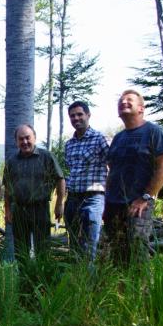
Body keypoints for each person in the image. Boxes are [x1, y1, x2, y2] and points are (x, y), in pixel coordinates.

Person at [103, 89, 163, 267]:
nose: (123, 102)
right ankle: (119, 293)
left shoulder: (154, 132)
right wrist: (106, 200)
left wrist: (145, 197)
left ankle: (142, 292)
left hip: (139, 204)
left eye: (129, 100)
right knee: (117, 251)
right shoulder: (118, 138)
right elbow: (112, 170)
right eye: (121, 100)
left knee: (137, 249)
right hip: (113, 204)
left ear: (141, 108)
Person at [3, 124, 65, 261]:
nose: (24, 142)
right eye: (21, 139)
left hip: (40, 209)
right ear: (16, 141)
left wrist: (60, 204)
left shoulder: (46, 156)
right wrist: (7, 210)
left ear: (34, 138)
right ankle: (25, 280)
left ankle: (42, 279)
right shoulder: (12, 161)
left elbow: (60, 179)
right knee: (21, 251)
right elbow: (7, 187)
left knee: (43, 249)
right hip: (18, 210)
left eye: (27, 138)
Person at [64, 101, 109, 260]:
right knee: (74, 242)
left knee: (89, 244)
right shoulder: (69, 144)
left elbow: (112, 165)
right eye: (72, 116)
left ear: (88, 115)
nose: (76, 118)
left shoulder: (100, 138)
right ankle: (76, 280)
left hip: (93, 197)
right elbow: (70, 169)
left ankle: (89, 282)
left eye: (79, 114)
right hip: (72, 198)